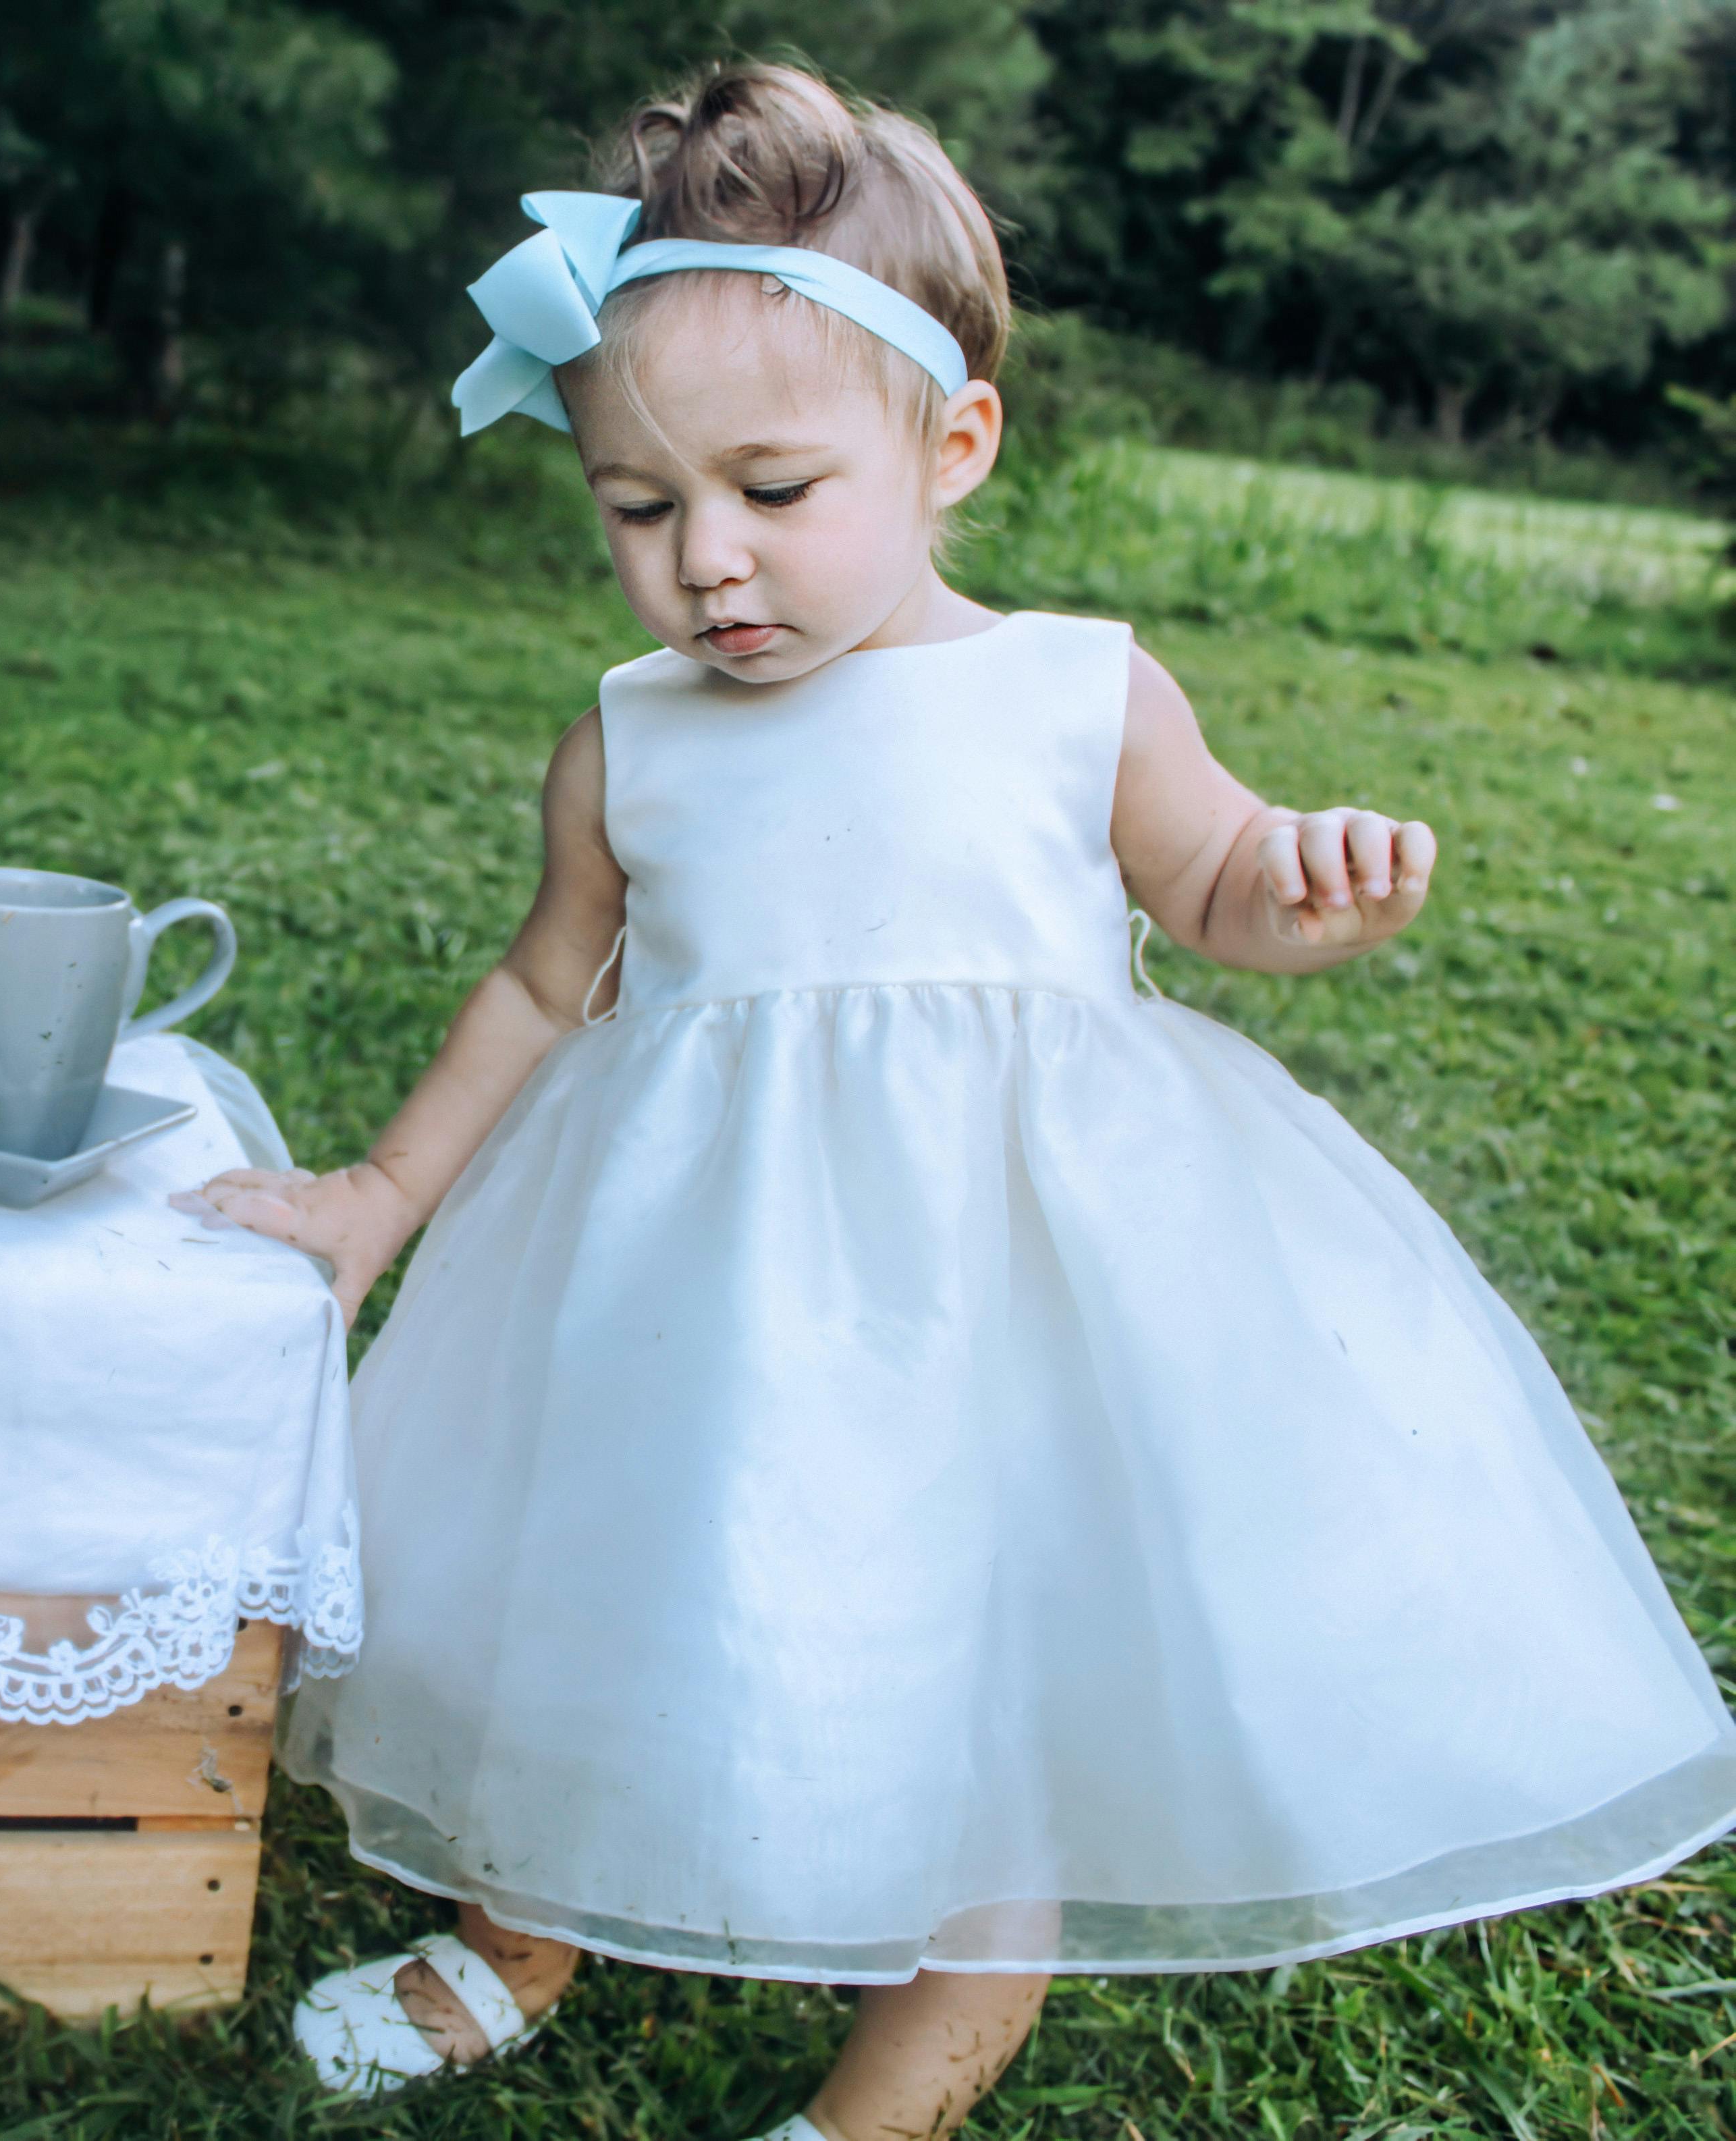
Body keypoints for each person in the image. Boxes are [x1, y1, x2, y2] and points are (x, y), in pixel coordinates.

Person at [175, 58, 1736, 2140]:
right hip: (688, 1283)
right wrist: (382, 1192)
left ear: (952, 443)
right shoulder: (628, 737)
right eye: (638, 510)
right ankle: (519, 1929)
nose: (704, 563)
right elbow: (550, 984)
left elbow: (1213, 878)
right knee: (609, 1596)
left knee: (993, 1671)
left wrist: (1306, 879)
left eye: (771, 491)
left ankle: (881, 2097)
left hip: (996, 1293)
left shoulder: (1074, 689)